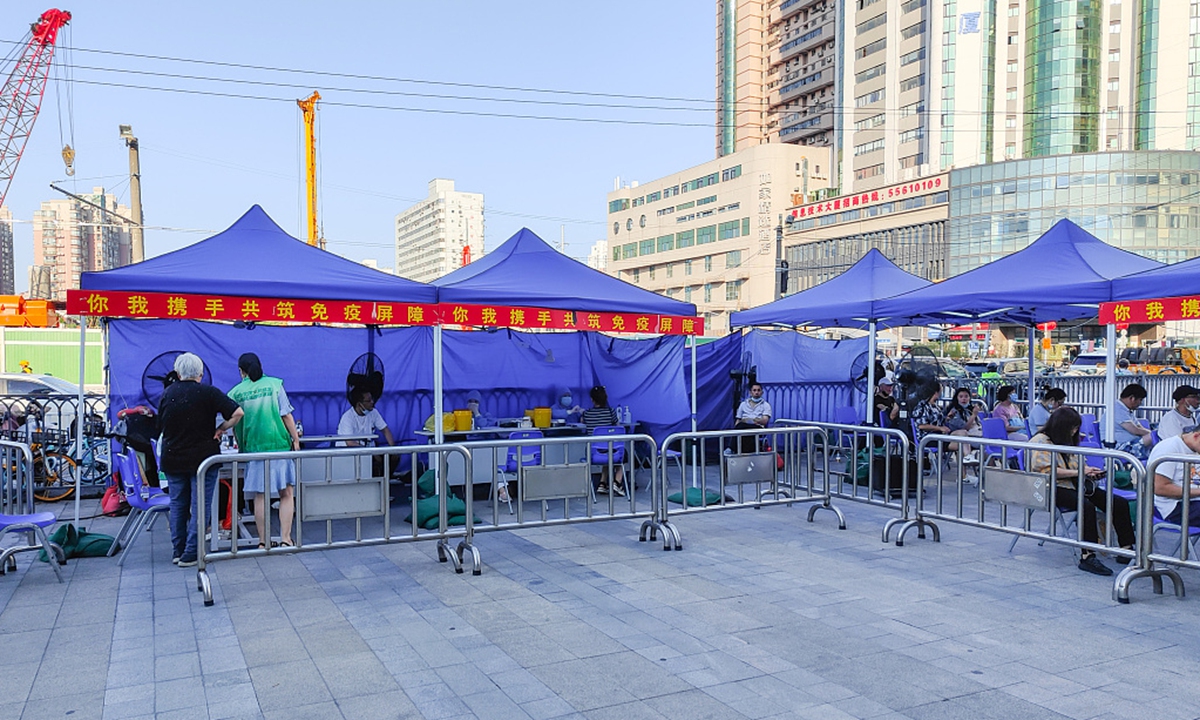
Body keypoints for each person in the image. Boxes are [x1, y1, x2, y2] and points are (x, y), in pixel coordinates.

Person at [158, 353, 244, 567]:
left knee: (178, 504)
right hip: (203, 458)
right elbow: (238, 413)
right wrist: (221, 428)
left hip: (173, 457)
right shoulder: (209, 392)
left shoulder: (167, 394)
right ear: (201, 373)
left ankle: (178, 551)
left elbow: (161, 425)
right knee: (200, 506)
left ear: (178, 373)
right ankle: (192, 553)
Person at [1029, 406, 1136, 577]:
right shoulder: (1040, 441)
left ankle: (1126, 549)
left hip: (1075, 483)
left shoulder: (1068, 440)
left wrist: (1090, 472)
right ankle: (1087, 555)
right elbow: (1046, 470)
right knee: (1085, 506)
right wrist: (1079, 472)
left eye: (1076, 428)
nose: (1075, 432)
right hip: (1048, 487)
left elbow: (1078, 466)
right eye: (1072, 428)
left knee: (1118, 503)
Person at [228, 353, 302, 549]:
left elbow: (234, 422)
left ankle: (263, 541)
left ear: (241, 371)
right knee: (286, 493)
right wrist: (295, 439)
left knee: (260, 495)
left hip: (253, 448)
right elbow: (286, 415)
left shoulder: (235, 392)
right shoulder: (275, 385)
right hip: (279, 445)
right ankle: (286, 539)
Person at [1150, 427, 1200, 533]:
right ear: (1196, 436)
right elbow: (1160, 488)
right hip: (1175, 506)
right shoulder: (1168, 449)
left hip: (1192, 501)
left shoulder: (1195, 448)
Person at [582, 385, 625, 496]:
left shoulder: (587, 413)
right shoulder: (611, 412)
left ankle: (602, 483)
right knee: (619, 454)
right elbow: (618, 427)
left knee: (606, 452)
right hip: (611, 450)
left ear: (592, 399)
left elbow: (582, 422)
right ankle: (617, 482)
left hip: (593, 452)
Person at [1112, 383, 1153, 459]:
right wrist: (1152, 434)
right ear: (1132, 398)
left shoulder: (1126, 410)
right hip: (1121, 448)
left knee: (1153, 437)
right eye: (1140, 400)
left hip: (1130, 443)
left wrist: (1151, 434)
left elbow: (1139, 426)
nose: (1140, 403)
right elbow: (1135, 430)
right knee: (1152, 437)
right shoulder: (1117, 409)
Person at [734, 382, 772, 453]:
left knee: (743, 428)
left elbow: (765, 421)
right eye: (754, 390)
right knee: (739, 427)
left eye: (758, 390)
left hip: (757, 427)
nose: (756, 392)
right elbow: (738, 419)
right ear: (750, 392)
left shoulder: (766, 405)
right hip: (743, 426)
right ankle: (733, 450)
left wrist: (753, 420)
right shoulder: (743, 404)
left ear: (762, 392)